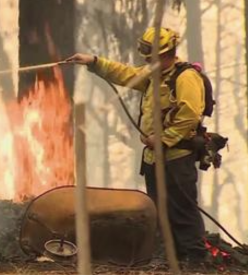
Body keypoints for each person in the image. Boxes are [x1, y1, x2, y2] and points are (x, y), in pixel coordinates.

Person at [66, 27, 208, 263]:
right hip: (154, 158)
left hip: (176, 158)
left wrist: (162, 140)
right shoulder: (155, 76)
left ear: (166, 53)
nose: (147, 61)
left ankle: (195, 259)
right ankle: (173, 257)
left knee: (181, 209)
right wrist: (93, 61)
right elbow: (126, 74)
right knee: (158, 211)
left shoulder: (186, 77)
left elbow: (189, 115)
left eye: (151, 57)